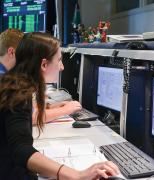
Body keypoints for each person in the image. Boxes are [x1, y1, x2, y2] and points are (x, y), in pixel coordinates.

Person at [0, 32, 120, 180]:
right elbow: (21, 150)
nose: (62, 67)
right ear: (43, 64)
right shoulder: (17, 94)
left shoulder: (14, 86)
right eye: (59, 60)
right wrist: (77, 175)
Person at [0, 28, 82, 123]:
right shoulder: (4, 82)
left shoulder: (9, 79)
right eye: (25, 54)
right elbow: (29, 117)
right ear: (11, 52)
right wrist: (64, 110)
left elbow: (23, 110)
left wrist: (49, 107)